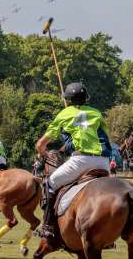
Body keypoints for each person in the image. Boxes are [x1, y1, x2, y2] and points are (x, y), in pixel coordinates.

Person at [35, 82, 117, 242]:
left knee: (49, 184)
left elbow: (41, 144)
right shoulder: (96, 113)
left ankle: (48, 226)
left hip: (81, 160)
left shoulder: (65, 113)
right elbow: (104, 137)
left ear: (69, 99)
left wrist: (43, 153)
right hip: (103, 162)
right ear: (86, 98)